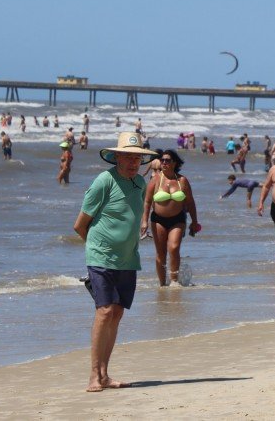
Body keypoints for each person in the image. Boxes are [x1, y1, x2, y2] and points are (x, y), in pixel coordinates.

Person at [72, 132, 157, 392]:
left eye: (138, 158)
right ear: (117, 157)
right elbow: (79, 225)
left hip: (128, 259)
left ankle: (105, 375)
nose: (133, 163)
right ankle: (92, 376)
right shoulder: (104, 181)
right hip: (101, 257)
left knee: (117, 313)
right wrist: (96, 251)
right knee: (105, 311)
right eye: (128, 157)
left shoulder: (140, 184)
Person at [140, 150, 199, 287]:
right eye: (162, 160)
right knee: (161, 253)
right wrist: (144, 221)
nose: (164, 163)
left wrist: (195, 221)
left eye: (167, 160)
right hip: (158, 220)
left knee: (174, 247)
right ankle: (162, 284)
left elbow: (190, 202)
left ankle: (174, 281)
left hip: (178, 219)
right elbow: (147, 201)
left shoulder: (182, 180)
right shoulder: (155, 179)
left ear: (174, 163)